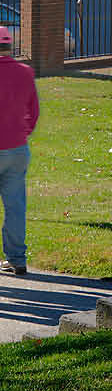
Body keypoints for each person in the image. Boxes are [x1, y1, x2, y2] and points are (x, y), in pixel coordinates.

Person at [0, 27, 36, 277]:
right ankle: (16, 259)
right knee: (15, 206)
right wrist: (22, 132)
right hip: (17, 147)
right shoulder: (25, 72)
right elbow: (33, 112)